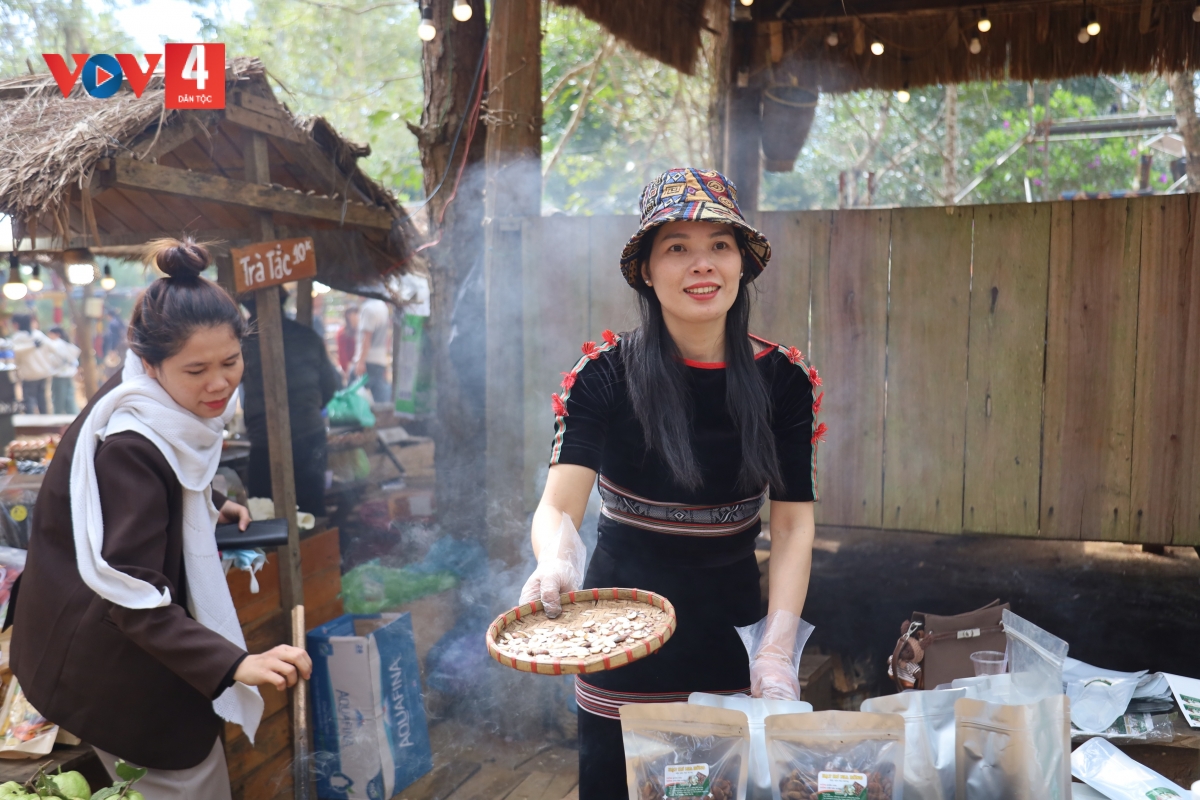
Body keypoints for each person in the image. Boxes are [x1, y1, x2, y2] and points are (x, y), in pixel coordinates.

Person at [517, 169, 821, 798]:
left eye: (720, 245)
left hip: (732, 641)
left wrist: (775, 647)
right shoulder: (602, 374)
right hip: (616, 643)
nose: (701, 264)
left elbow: (792, 525)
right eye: (677, 247)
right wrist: (555, 563)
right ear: (647, 272)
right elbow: (558, 509)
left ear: (742, 265)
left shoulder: (785, 380)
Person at [9, 238, 312, 800]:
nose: (219, 383)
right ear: (150, 364)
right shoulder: (129, 439)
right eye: (197, 369)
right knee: (188, 781)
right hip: (100, 655)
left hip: (107, 637)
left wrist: (205, 501)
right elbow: (132, 596)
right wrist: (234, 665)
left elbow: (170, 476)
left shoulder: (145, 397)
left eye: (231, 362)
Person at [241, 290, 341, 516]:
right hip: (310, 433)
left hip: (266, 441)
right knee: (311, 511)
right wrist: (308, 409)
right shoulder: (308, 336)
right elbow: (330, 385)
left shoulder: (244, 341)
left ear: (249, 307)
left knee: (265, 513)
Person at [10, 314, 54, 414]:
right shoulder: (38, 334)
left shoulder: (18, 337)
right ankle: (45, 420)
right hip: (43, 372)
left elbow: (14, 352)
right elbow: (52, 348)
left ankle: (29, 420)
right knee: (42, 399)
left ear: (16, 324)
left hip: (29, 374)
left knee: (29, 400)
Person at [354, 297, 391, 402]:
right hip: (380, 359)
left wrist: (361, 361)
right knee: (381, 396)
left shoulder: (368, 308)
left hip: (368, 359)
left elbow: (367, 337)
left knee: (353, 392)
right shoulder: (383, 307)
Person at [46, 326, 81, 414]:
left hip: (59, 376)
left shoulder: (56, 344)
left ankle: (57, 418)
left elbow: (53, 361)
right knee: (69, 399)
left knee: (58, 400)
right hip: (69, 375)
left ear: (57, 334)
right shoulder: (68, 345)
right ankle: (74, 417)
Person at [336, 304, 359, 379]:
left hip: (359, 366)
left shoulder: (360, 331)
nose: (357, 316)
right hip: (349, 367)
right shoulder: (342, 333)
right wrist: (346, 369)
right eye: (354, 314)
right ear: (348, 316)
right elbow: (342, 353)